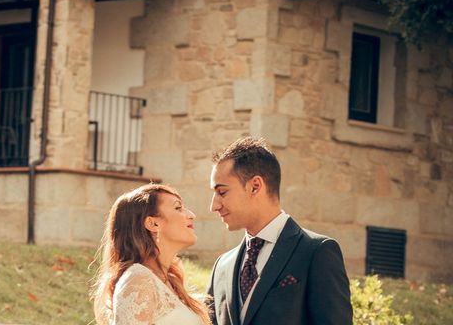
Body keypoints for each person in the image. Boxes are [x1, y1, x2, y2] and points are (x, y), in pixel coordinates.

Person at [207, 137, 352, 325]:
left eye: (222, 192)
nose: (213, 205)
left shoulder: (317, 252)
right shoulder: (222, 266)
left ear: (255, 186)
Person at [92, 183, 211, 325]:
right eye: (178, 208)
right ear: (152, 224)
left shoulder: (169, 281)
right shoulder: (138, 280)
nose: (191, 215)